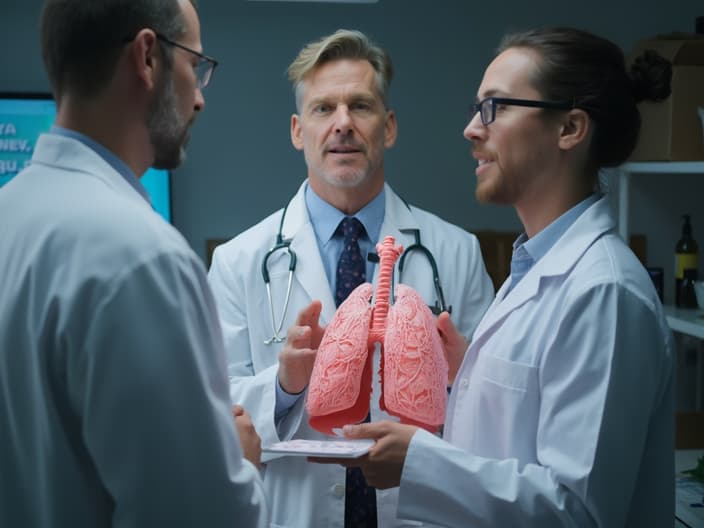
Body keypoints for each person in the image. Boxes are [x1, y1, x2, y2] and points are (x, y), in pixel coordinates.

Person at [317, 27, 676, 527]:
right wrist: (473, 374)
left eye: (495, 107)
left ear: (569, 127)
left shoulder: (604, 291)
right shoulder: (533, 270)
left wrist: (419, 464)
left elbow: (579, 514)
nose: (471, 129)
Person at [207, 29, 494, 527]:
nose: (342, 124)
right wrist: (284, 386)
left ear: (389, 127)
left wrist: (458, 378)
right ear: (299, 131)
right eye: (323, 109)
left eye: (360, 106)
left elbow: (491, 415)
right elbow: (216, 414)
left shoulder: (456, 253)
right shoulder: (238, 262)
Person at [0, 1, 267, 526]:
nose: (198, 99)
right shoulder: (144, 259)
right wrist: (241, 466)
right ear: (148, 57)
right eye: (196, 65)